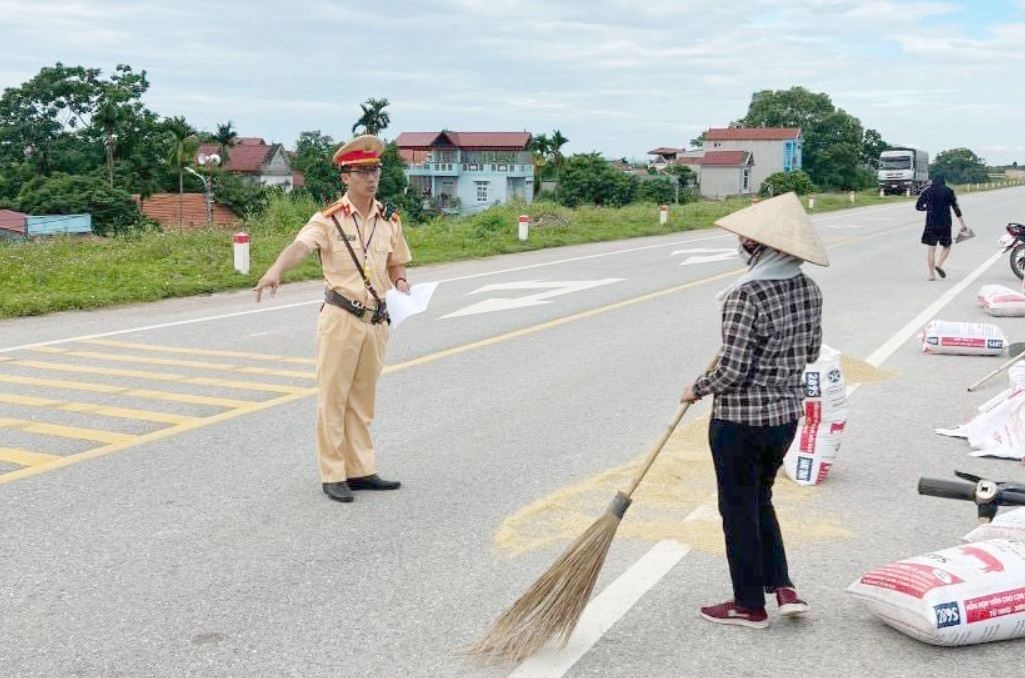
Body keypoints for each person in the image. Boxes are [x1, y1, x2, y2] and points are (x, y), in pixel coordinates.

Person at [680, 192, 827, 629]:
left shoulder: (745, 295)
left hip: (740, 423)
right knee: (760, 498)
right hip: (784, 419)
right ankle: (781, 584)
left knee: (738, 510)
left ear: (757, 249)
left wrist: (696, 388)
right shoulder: (809, 288)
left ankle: (748, 604)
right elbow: (812, 351)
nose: (741, 246)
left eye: (745, 241)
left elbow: (733, 371)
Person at [253, 135, 412, 504]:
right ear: (345, 177)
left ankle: (361, 469)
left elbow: (397, 261)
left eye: (375, 170)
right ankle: (333, 474)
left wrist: (402, 281)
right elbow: (300, 247)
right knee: (333, 399)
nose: (371, 178)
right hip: (341, 317)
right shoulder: (328, 220)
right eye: (362, 172)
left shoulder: (389, 219)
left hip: (377, 321)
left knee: (363, 400)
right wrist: (276, 269)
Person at [916, 176, 968, 281]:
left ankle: (931, 275)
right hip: (945, 223)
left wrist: (927, 208)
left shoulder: (927, 191)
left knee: (931, 248)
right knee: (947, 246)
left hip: (931, 223)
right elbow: (956, 208)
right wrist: (962, 224)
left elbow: (918, 206)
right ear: (944, 182)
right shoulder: (949, 191)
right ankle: (939, 264)